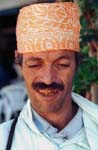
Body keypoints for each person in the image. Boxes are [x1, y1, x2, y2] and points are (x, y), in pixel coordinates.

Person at [0, 2, 98, 150]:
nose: (48, 78)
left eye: (62, 64)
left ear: (77, 63)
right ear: (19, 63)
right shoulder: (3, 140)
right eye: (35, 65)